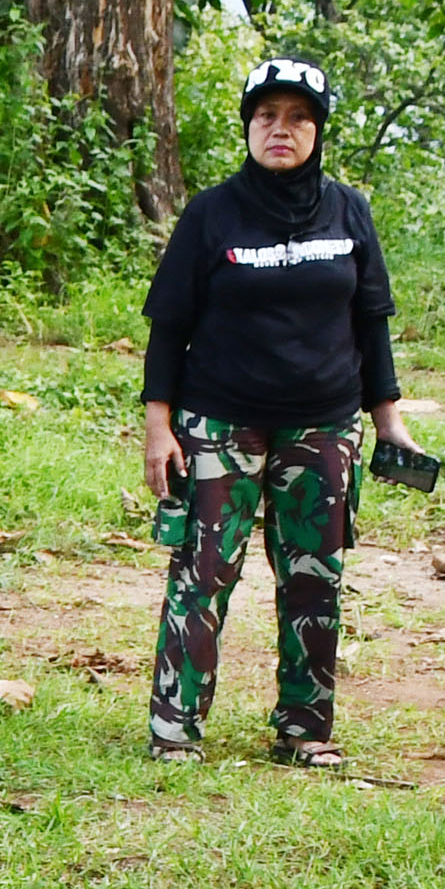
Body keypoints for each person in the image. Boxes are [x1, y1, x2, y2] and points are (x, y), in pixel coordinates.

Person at [135, 57, 407, 767]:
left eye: (296, 119)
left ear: (318, 131)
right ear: (248, 128)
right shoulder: (211, 214)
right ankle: (175, 729)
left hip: (322, 423)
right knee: (203, 573)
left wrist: (389, 423)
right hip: (219, 423)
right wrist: (158, 425)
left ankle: (305, 730)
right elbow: (169, 325)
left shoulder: (349, 211)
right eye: (265, 118)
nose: (279, 131)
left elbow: (371, 322)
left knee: (315, 576)